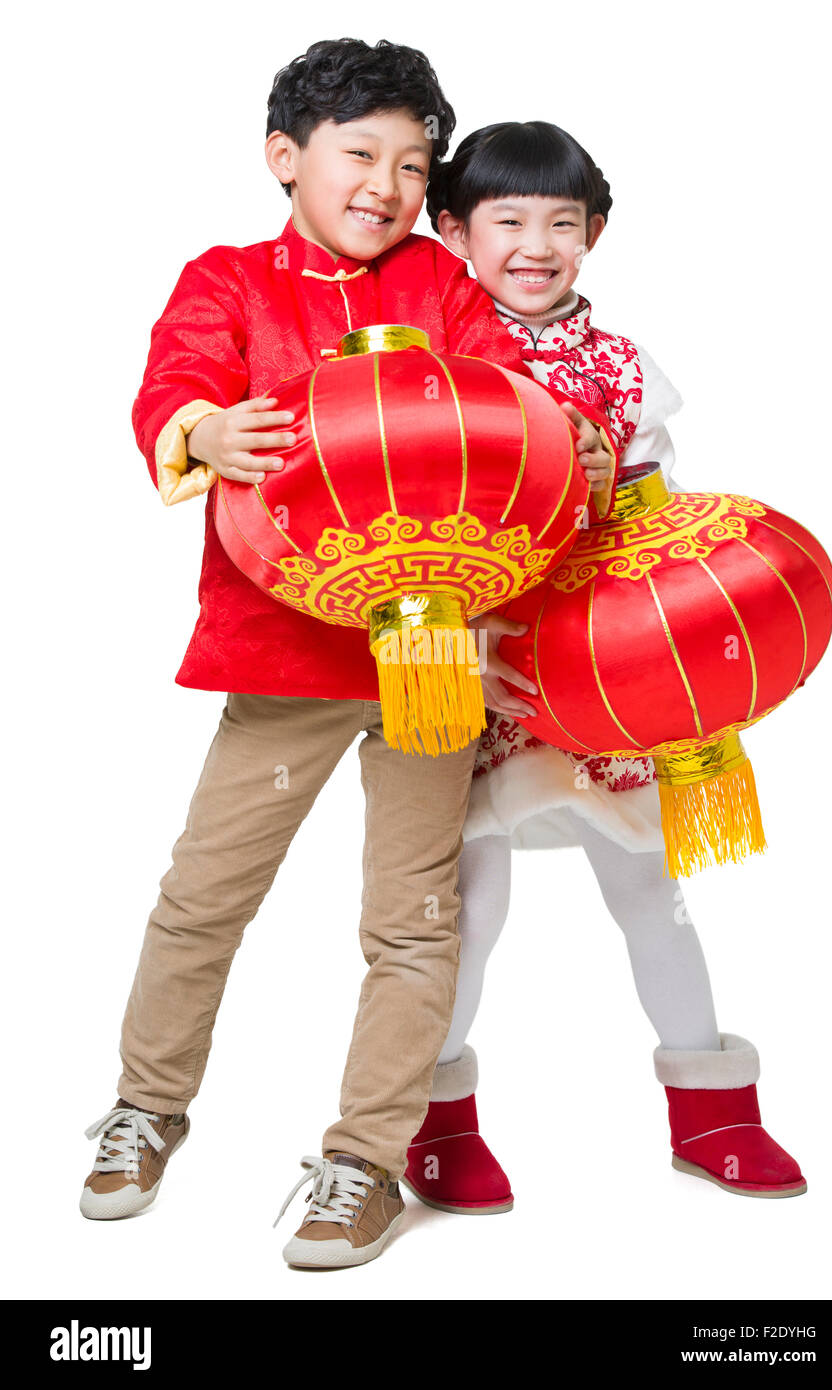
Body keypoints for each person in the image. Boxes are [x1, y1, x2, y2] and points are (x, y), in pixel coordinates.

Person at [79, 48, 613, 1271]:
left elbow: (520, 396)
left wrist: (572, 440)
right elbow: (176, 383)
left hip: (430, 645)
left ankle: (363, 1161)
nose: (387, 183)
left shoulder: (443, 283)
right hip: (285, 647)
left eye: (412, 164)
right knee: (206, 895)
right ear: (287, 158)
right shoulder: (228, 281)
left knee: (415, 917)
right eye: (358, 154)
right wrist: (203, 425)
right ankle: (144, 1107)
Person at [404, 121, 805, 1213]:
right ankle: (429, 1123)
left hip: (605, 671)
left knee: (650, 895)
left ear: (593, 233)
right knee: (468, 910)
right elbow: (402, 521)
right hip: (476, 669)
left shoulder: (625, 364)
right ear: (453, 230)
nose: (535, 246)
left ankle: (713, 1114)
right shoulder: (424, 357)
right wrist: (452, 654)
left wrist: (675, 650)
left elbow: (651, 516)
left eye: (561, 224)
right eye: (507, 222)